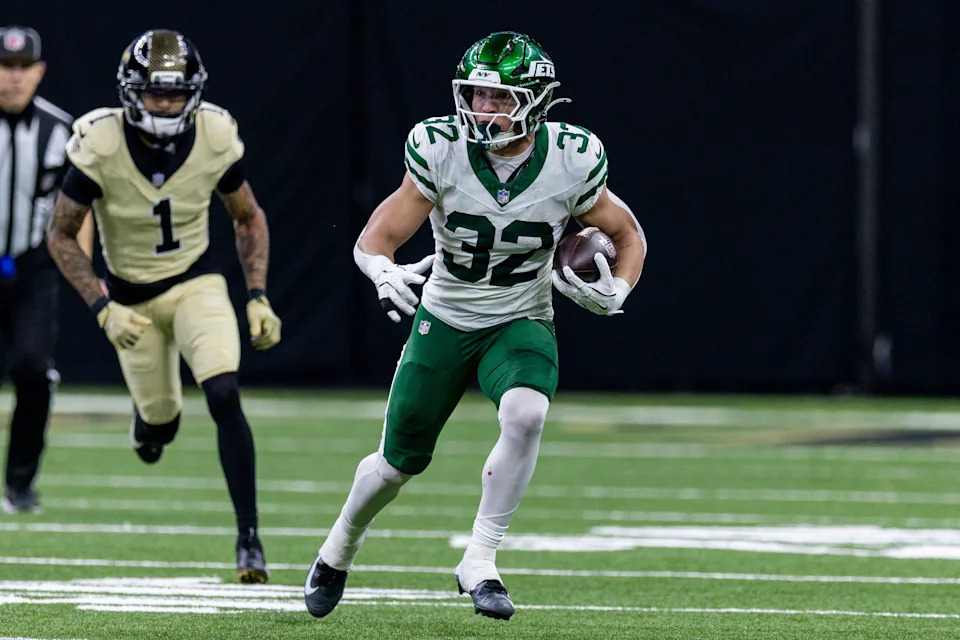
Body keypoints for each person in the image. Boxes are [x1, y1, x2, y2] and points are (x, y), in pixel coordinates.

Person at [304, 31, 647, 620]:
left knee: (526, 413)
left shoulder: (573, 157)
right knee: (395, 465)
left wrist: (615, 291)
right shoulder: (440, 148)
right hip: (446, 314)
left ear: (535, 101)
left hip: (521, 314)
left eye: (499, 97)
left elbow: (628, 235)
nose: (482, 109)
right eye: (476, 95)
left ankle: (481, 559)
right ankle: (338, 548)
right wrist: (383, 273)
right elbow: (374, 240)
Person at [45, 29, 281, 583]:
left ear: (194, 91)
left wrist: (256, 295)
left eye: (177, 94)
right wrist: (101, 306)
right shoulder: (98, 142)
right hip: (129, 297)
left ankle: (249, 538)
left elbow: (248, 216)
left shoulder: (215, 134)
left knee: (223, 391)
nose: (168, 104)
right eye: (156, 93)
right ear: (131, 92)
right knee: (161, 428)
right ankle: (149, 426)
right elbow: (60, 233)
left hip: (196, 282)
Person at [0, 25, 93, 514]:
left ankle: (19, 484)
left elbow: (81, 209)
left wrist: (87, 277)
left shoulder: (62, 130)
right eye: (5, 66)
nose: (13, 78)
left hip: (32, 267)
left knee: (33, 370)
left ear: (39, 71)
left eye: (22, 68)